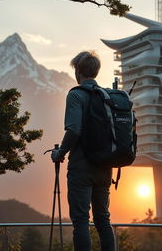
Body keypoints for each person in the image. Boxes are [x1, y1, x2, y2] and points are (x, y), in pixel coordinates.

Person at [51, 51, 115, 251]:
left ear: (78, 70)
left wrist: (60, 152)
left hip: (81, 166)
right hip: (105, 166)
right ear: (96, 71)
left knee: (80, 221)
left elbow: (74, 130)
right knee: (103, 220)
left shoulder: (76, 94)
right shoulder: (107, 96)